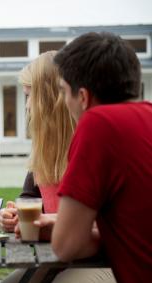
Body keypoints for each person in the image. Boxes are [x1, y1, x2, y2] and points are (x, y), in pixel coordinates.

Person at [0, 51, 115, 282]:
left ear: (49, 98)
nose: (27, 106)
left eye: (29, 95)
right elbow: (30, 199)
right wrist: (15, 216)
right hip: (59, 255)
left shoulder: (99, 143)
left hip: (107, 259)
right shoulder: (45, 149)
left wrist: (51, 223)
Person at [49, 32, 152, 283]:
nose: (64, 101)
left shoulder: (99, 124)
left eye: (63, 91)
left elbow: (66, 246)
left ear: (83, 97)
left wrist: (75, 232)